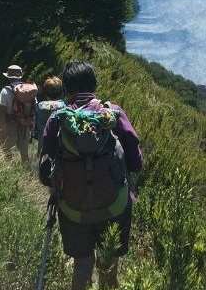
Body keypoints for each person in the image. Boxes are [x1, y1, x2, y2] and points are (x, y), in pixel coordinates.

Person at [40, 62, 142, 290]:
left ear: (66, 88)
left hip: (73, 210)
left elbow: (44, 172)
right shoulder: (112, 113)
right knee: (108, 265)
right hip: (114, 205)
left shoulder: (58, 118)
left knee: (82, 264)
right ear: (94, 84)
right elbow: (136, 161)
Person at [0, 64, 35, 163]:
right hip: (24, 125)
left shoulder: (5, 91)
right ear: (20, 76)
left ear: (8, 77)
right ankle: (27, 174)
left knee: (6, 150)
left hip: (10, 124)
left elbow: (2, 111)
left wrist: (2, 127)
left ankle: (8, 171)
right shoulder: (29, 90)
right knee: (24, 154)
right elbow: (35, 107)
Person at [32, 75, 66, 149]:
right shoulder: (63, 106)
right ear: (61, 92)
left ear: (45, 93)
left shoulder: (40, 106)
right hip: (59, 142)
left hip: (43, 141)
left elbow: (34, 124)